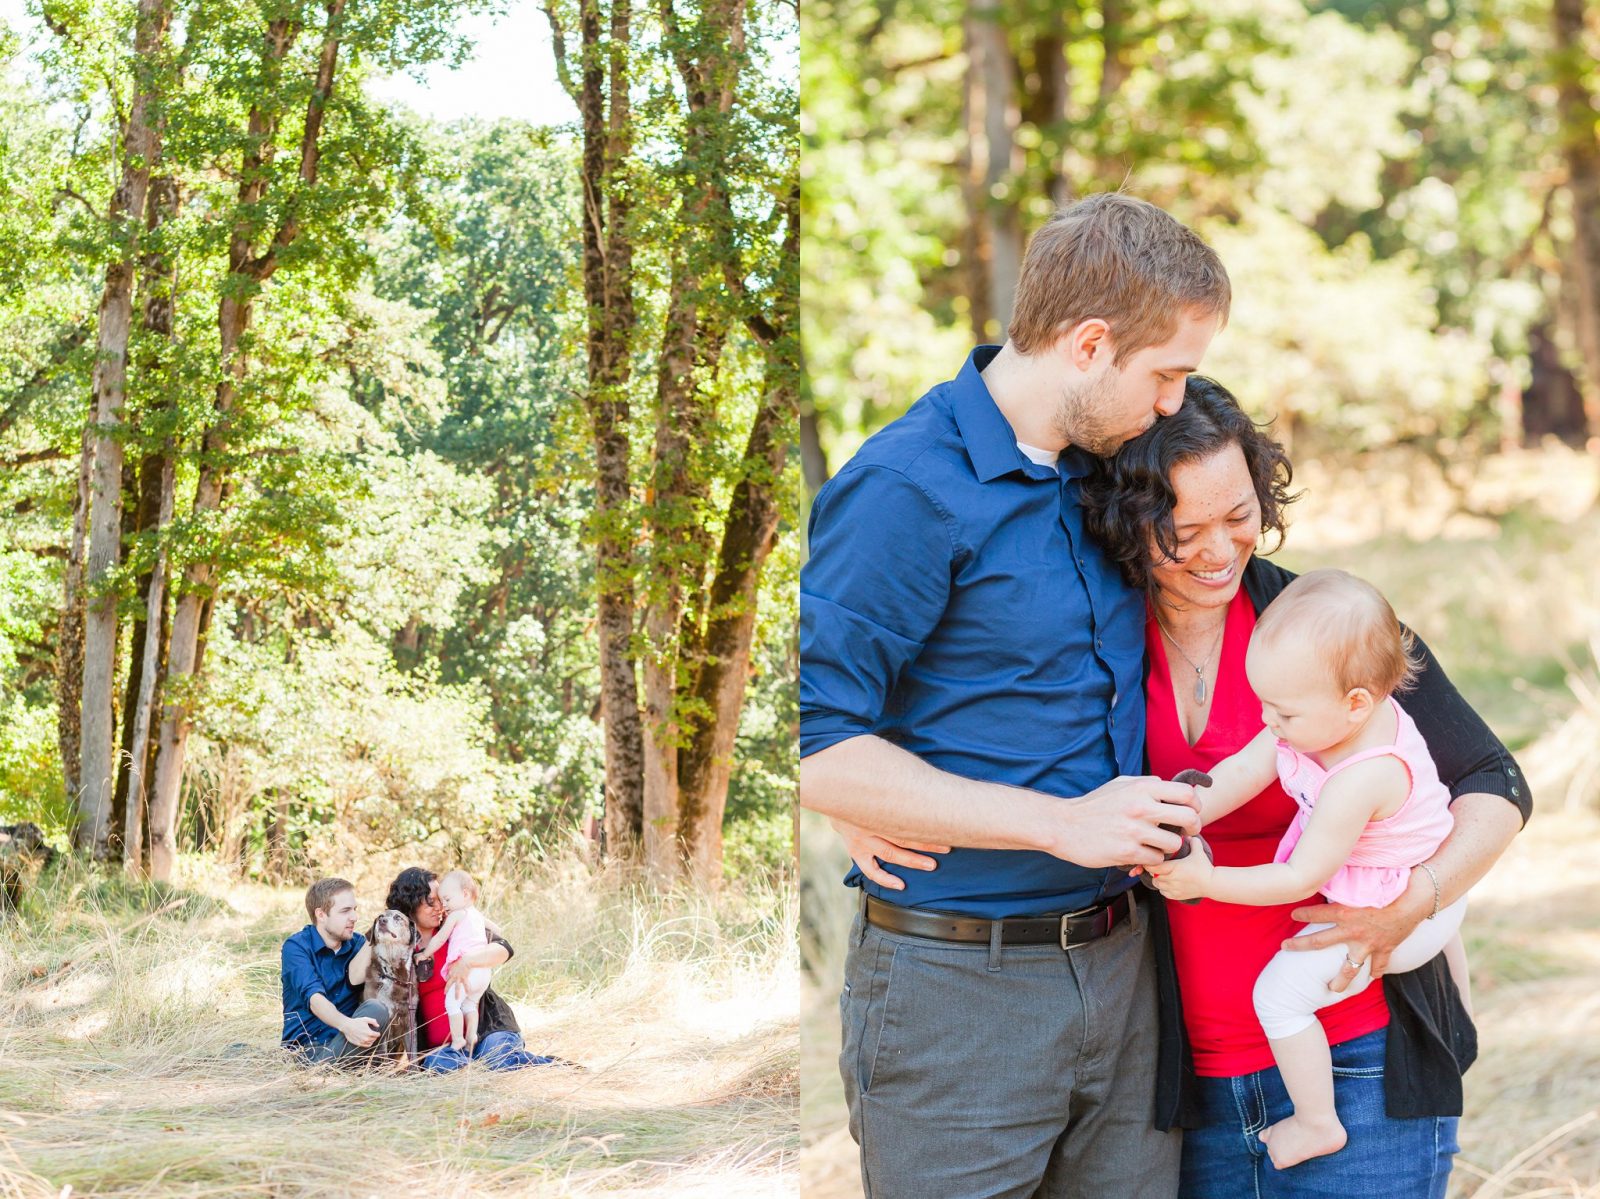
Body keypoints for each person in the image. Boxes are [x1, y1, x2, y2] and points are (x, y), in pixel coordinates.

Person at [842, 378, 1528, 1196]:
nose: (1217, 550)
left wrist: (1419, 897)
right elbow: (927, 708)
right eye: (1182, 529)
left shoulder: (1328, 629)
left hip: (1360, 1060)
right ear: (1126, 520)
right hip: (1177, 1086)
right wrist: (866, 796)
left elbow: (1493, 779)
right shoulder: (1087, 638)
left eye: (1239, 516)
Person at [800, 192, 1232, 1197]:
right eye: (1167, 372)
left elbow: (1229, 550)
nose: (1176, 402)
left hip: (1127, 975)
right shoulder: (906, 487)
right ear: (1089, 344)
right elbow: (819, 747)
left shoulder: (1115, 466)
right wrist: (1056, 823)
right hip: (958, 991)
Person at [1146, 569, 1471, 1168]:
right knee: (1445, 923)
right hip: (1423, 878)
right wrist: (1182, 812)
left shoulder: (1362, 777)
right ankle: (1457, 975)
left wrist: (1207, 882)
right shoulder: (1320, 718)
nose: (1269, 721)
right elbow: (1243, 771)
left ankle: (1318, 1122)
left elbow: (1296, 878)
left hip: (1395, 905)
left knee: (1278, 996)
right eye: (1263, 703)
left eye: (1283, 712)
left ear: (1356, 702)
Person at [383, 866, 555, 1072]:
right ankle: (469, 1068)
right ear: (409, 903)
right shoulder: (399, 946)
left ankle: (554, 1068)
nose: (440, 906)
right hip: (444, 1048)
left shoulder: (458, 923)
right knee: (441, 1068)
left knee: (500, 1060)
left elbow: (504, 949)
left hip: (487, 1030)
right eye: (431, 901)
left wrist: (468, 961)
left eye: (442, 899)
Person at [280, 877, 390, 1064]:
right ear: (321, 915)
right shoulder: (297, 947)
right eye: (345, 911)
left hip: (351, 1043)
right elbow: (315, 1000)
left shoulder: (358, 944)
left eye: (354, 909)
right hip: (308, 1050)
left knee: (376, 1009)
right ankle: (321, 1073)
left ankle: (360, 1066)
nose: (354, 917)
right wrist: (347, 1025)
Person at [416, 869, 496, 1052]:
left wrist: (425, 954)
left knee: (452, 1004)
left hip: (470, 970)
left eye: (447, 900)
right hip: (483, 974)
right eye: (438, 901)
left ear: (465, 894)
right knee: (469, 1004)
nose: (443, 906)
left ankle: (459, 1039)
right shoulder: (475, 914)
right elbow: (497, 930)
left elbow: (440, 939)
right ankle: (472, 1036)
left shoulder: (457, 915)